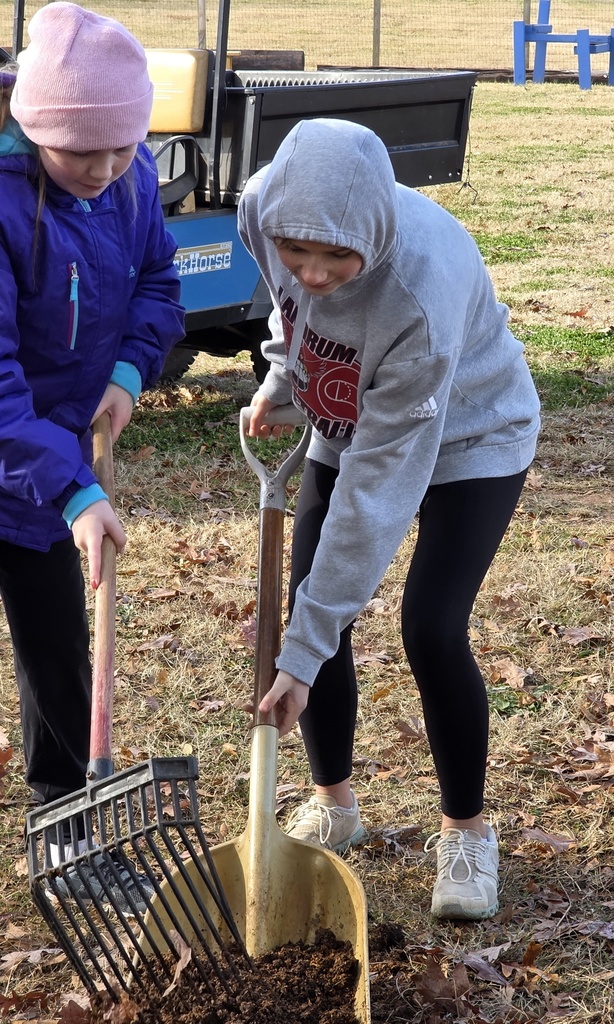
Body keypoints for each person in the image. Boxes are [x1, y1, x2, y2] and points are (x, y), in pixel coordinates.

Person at [237, 117, 540, 921]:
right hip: (352, 416)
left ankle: (467, 832)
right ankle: (335, 802)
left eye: (338, 256)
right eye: (300, 250)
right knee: (311, 602)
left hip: (473, 433)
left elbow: (379, 489)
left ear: (373, 233)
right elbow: (288, 303)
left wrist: (298, 656)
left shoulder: (417, 292)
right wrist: (283, 374)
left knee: (431, 627)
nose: (315, 271)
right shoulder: (264, 207)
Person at [0, 4, 184, 909]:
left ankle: (67, 835)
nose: (105, 172)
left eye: (123, 150)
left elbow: (158, 277)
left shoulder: (131, 175)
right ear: (35, 126)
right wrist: (74, 491)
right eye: (84, 156)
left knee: (57, 650)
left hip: (50, 465)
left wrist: (126, 367)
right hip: (30, 451)